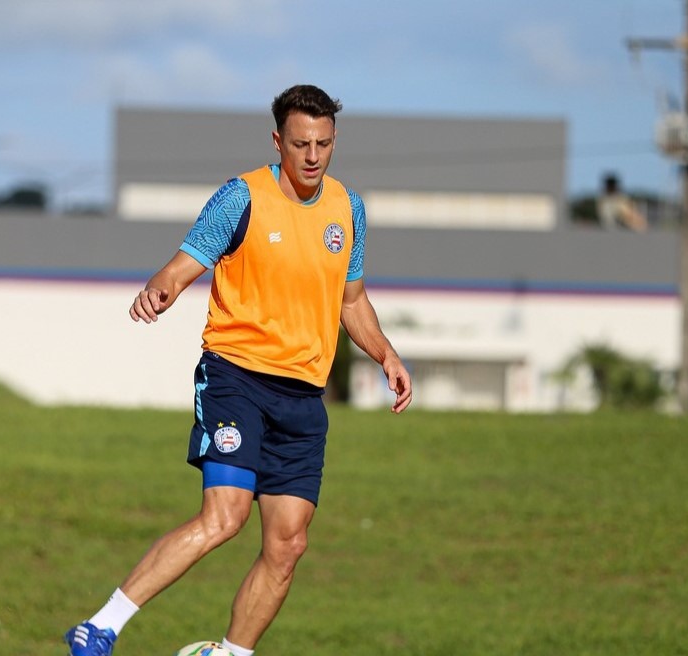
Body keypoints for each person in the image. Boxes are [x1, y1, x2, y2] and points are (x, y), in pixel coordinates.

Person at [64, 84, 412, 656]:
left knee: (288, 544)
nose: (312, 156)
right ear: (278, 141)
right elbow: (185, 261)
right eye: (300, 143)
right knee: (224, 516)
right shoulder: (241, 197)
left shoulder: (348, 209)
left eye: (324, 144)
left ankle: (228, 653)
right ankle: (101, 625)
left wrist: (386, 355)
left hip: (303, 398)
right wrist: (161, 288)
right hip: (236, 379)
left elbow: (352, 301)